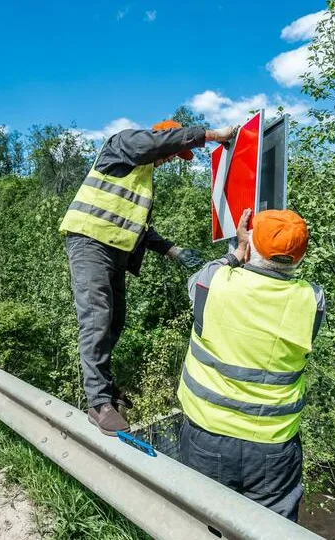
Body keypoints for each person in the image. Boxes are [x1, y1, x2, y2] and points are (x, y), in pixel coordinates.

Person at [60, 120, 238, 436]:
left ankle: (107, 390)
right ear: (159, 138)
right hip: (89, 241)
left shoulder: (142, 178)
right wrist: (211, 135)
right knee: (97, 318)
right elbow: (154, 143)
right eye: (173, 153)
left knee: (114, 320)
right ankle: (98, 402)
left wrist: (173, 250)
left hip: (115, 249)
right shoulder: (123, 145)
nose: (171, 159)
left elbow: (138, 227)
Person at [176, 207, 324, 522]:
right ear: (299, 258)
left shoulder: (214, 281)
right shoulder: (312, 300)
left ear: (252, 244)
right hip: (273, 444)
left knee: (203, 526)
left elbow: (201, 278)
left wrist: (239, 251)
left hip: (207, 432)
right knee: (270, 530)